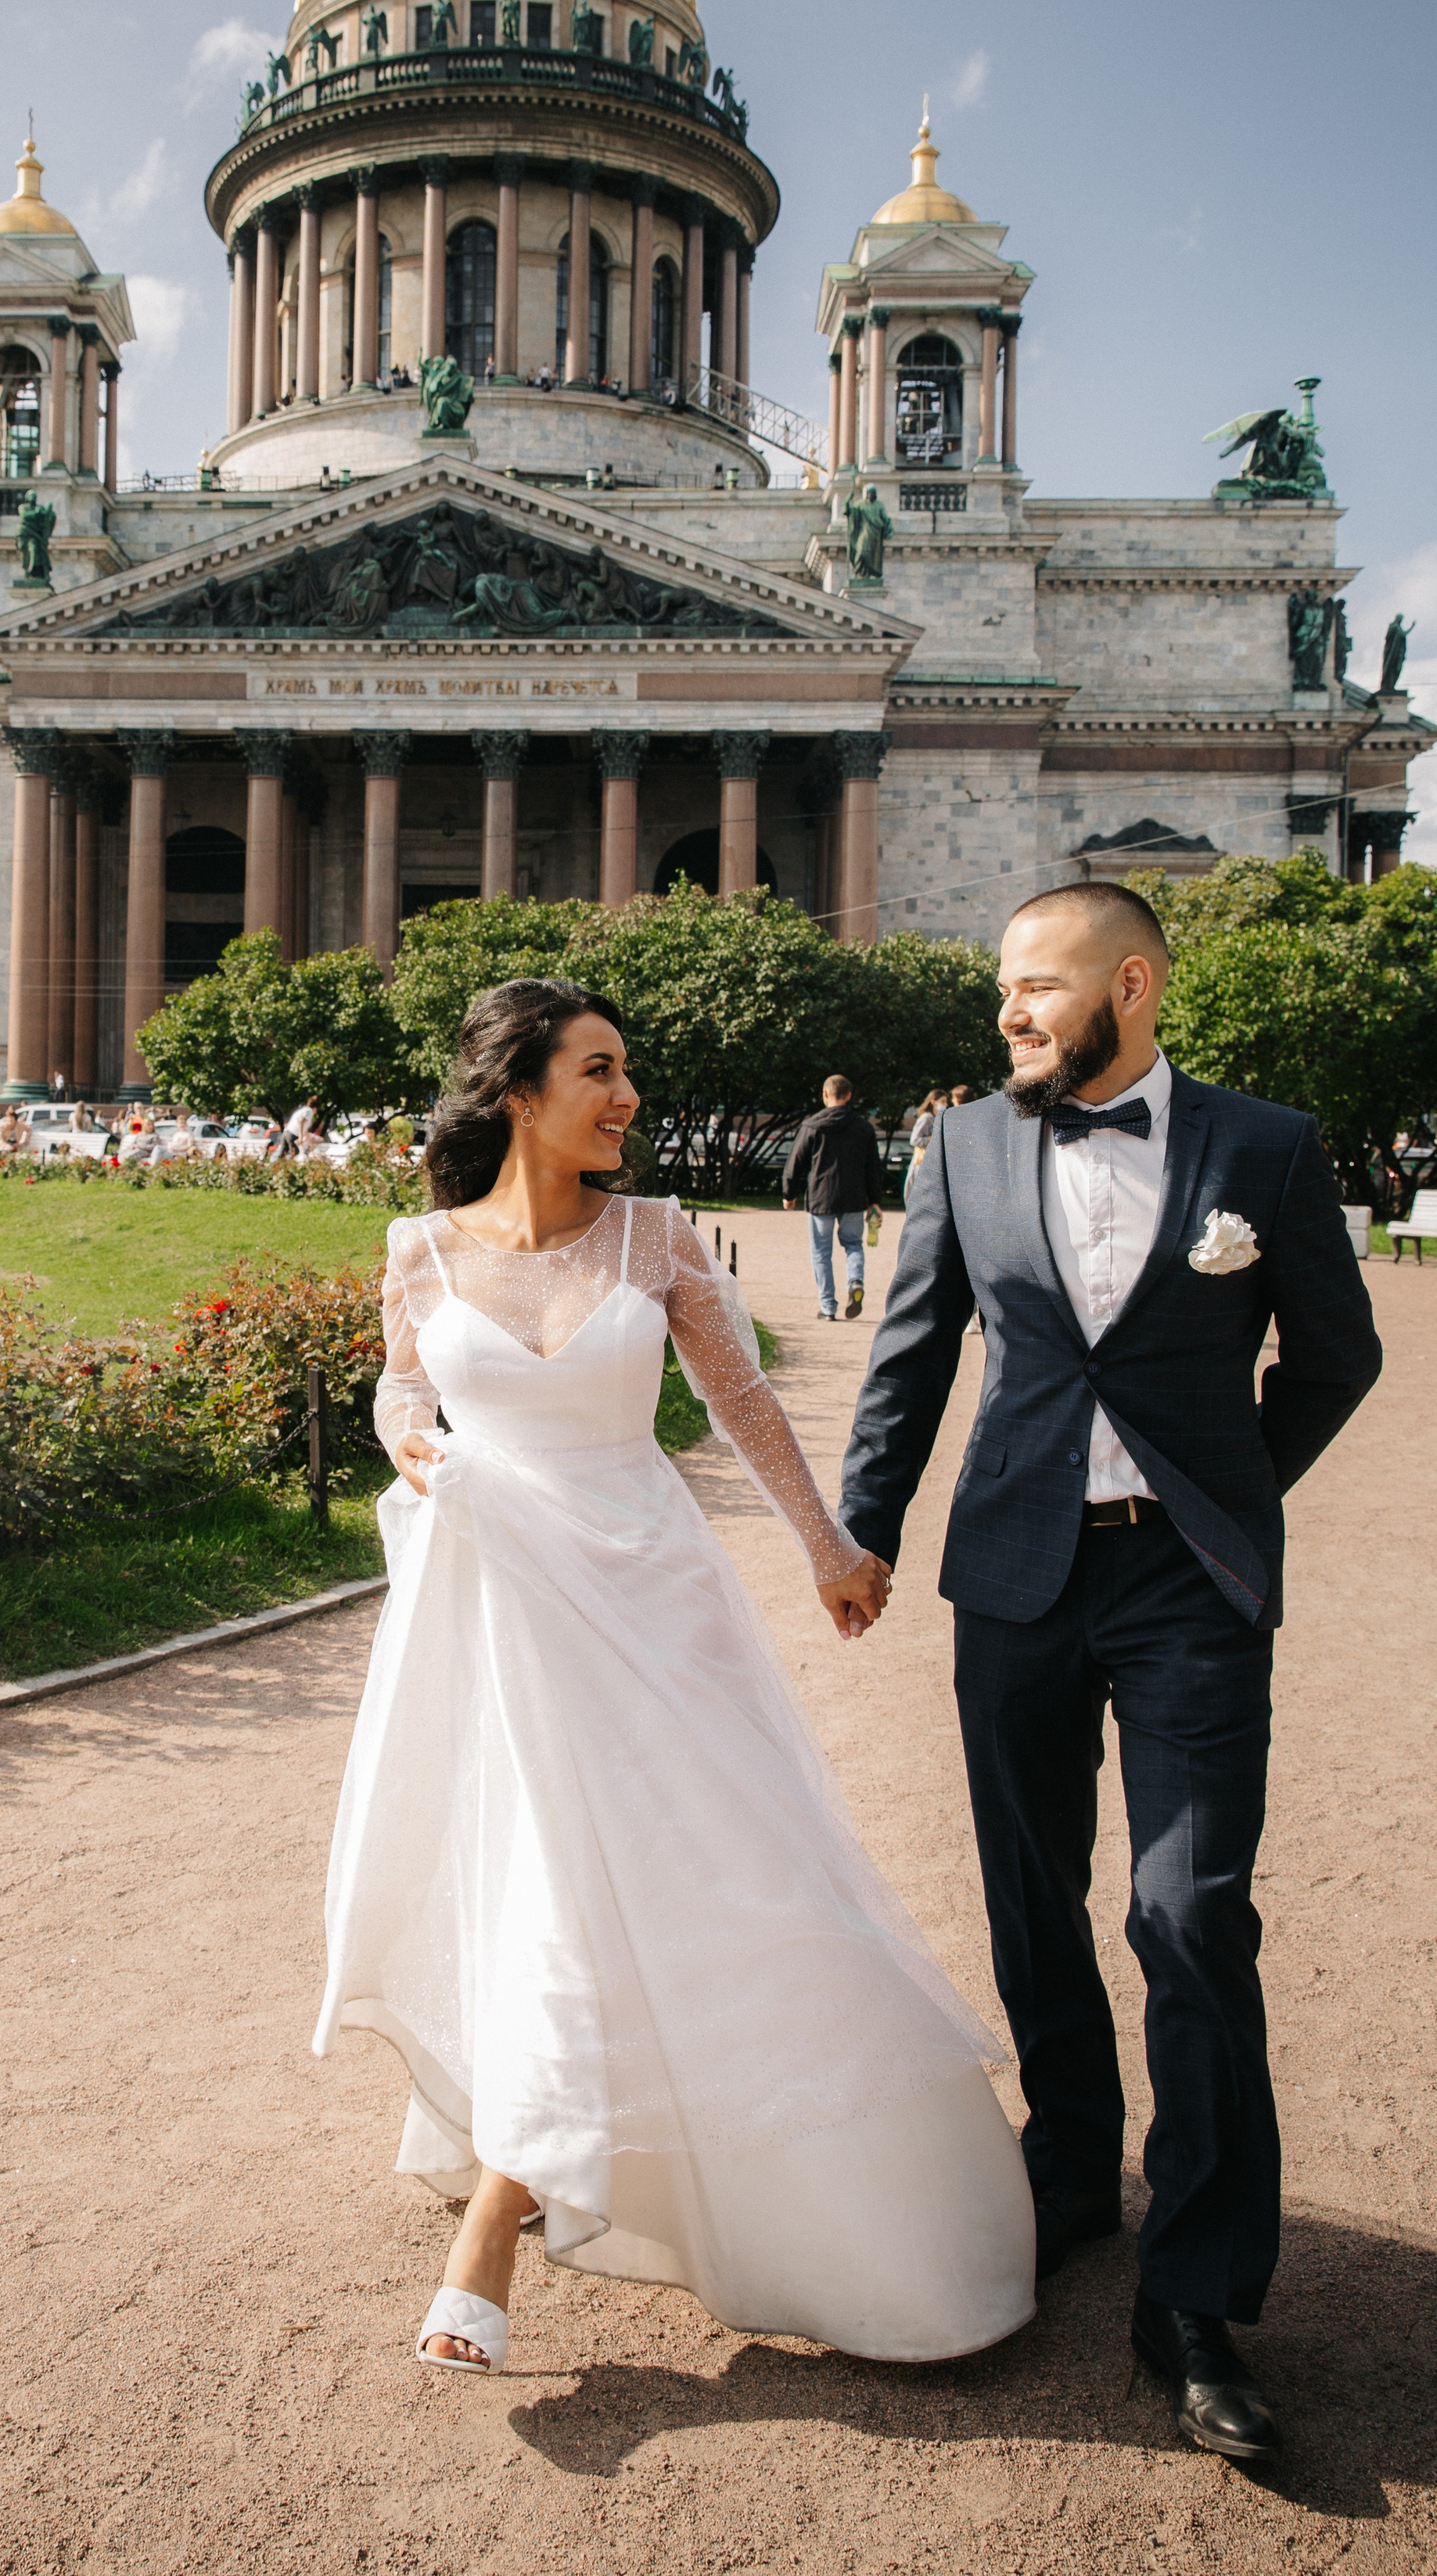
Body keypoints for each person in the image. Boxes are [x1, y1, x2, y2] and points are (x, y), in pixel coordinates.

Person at [316, 977, 1035, 2378]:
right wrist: (415, 1446)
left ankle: (546, 2193)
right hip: (505, 1609)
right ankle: (506, 2202)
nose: (627, 1095)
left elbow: (739, 1398)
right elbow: (403, 1389)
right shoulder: (421, 1249)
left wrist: (830, 1547)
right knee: (549, 1887)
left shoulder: (655, 1235)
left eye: (625, 1070)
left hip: (653, 1603)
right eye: (599, 1069)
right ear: (518, 1089)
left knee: (719, 1880)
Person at [839, 882, 1383, 2469]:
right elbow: (910, 1354)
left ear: (1129, 986)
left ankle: (1194, 2291)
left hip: (1184, 1587)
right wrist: (861, 1532)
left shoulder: (1264, 1147)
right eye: (1001, 989)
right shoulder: (962, 1145)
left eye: (1035, 984)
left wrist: (1228, 1492)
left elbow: (1336, 1355)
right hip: (1014, 1573)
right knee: (1029, 1891)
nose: (1007, 1011)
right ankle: (1074, 2165)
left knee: (1189, 1911)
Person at [785, 1075, 886, 1322]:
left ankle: (828, 1307)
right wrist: (875, 1201)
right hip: (854, 1198)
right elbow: (873, 1167)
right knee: (853, 1244)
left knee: (821, 1252)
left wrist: (789, 1193)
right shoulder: (863, 1127)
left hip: (821, 1198)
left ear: (825, 1094)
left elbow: (795, 1161)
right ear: (849, 1095)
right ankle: (855, 1281)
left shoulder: (812, 1126)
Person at [906, 1090, 943, 1186]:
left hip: (929, 1163)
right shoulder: (926, 1118)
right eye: (942, 1101)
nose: (945, 1104)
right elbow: (914, 1140)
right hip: (921, 1162)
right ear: (933, 1101)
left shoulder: (935, 1118)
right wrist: (930, 1139)